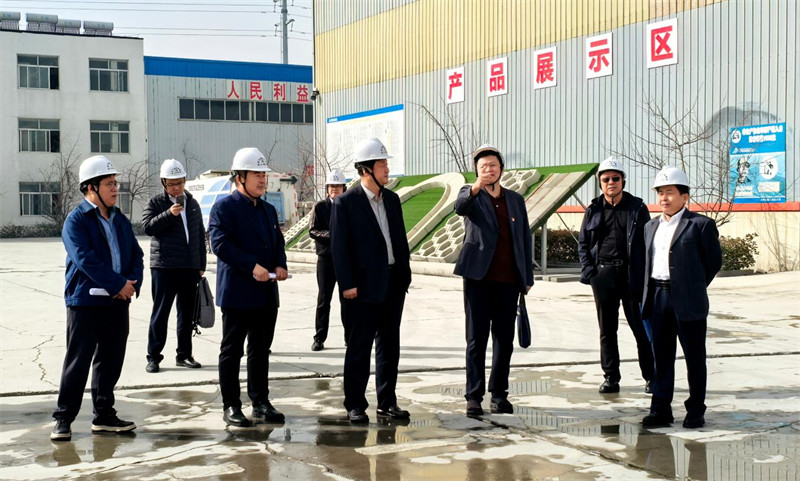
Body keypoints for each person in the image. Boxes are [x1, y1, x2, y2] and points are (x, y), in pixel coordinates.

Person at [51, 155, 144, 441]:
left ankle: (104, 415)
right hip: (86, 302)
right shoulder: (76, 221)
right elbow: (84, 260)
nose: (116, 188)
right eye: (109, 184)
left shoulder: (120, 219)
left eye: (115, 183)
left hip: (117, 302)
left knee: (110, 360)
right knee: (78, 362)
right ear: (91, 187)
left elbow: (136, 254)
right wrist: (118, 284)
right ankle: (64, 418)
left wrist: (131, 282)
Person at [330, 137, 412, 424]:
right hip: (361, 288)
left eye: (387, 164)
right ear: (366, 169)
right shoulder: (345, 203)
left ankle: (387, 402)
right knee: (359, 347)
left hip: (392, 283)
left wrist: (404, 275)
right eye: (382, 164)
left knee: (390, 346)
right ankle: (355, 404)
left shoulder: (392, 199)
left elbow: (399, 240)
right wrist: (347, 284)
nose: (387, 169)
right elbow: (339, 248)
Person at [208, 147, 289, 427]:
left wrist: (280, 264)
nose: (262, 180)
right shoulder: (224, 208)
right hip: (238, 292)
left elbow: (277, 243)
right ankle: (231, 404)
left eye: (264, 175)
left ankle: (261, 402)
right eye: (256, 174)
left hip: (266, 292)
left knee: (260, 349)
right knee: (232, 351)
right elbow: (220, 245)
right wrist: (252, 266)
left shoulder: (268, 210)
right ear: (240, 177)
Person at [453, 144, 533, 417]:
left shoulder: (515, 199)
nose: (489, 170)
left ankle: (499, 394)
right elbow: (459, 208)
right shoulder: (470, 193)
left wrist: (526, 276)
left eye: (493, 165)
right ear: (476, 170)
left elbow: (524, 238)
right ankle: (474, 396)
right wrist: (476, 186)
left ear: (501, 169)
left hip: (508, 280)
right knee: (476, 339)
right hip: (478, 278)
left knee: (504, 339)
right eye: (483, 166)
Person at [640, 166, 722, 429]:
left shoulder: (700, 225)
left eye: (670, 192)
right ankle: (660, 409)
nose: (664, 198)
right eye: (660, 193)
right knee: (661, 356)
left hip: (688, 299)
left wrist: (692, 286)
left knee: (694, 357)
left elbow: (713, 263)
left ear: (684, 196)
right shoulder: (650, 226)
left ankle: (695, 409)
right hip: (658, 296)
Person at [577, 156, 654, 394]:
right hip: (603, 275)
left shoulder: (637, 208)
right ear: (600, 183)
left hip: (631, 276)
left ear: (623, 181)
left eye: (615, 178)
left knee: (640, 328)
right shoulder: (593, 209)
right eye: (606, 179)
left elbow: (648, 243)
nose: (611, 183)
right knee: (607, 330)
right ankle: (611, 377)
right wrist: (590, 272)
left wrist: (645, 275)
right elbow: (583, 243)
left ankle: (651, 377)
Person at [142, 159, 207, 373]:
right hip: (164, 267)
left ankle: (184, 355)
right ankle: (153, 357)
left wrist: (200, 264)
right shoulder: (156, 203)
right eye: (172, 184)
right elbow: (148, 227)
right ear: (163, 183)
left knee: (186, 314)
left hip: (189, 267)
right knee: (160, 313)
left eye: (180, 183)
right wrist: (170, 214)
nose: (177, 188)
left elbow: (199, 235)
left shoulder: (193, 203)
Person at [309, 170, 349, 351]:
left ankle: (349, 337)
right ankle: (319, 338)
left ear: (343, 188)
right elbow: (313, 230)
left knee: (347, 300)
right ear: (327, 188)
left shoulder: (349, 207)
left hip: (345, 260)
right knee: (324, 300)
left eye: (338, 186)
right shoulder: (320, 207)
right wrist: (333, 236)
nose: (335, 189)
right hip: (326, 259)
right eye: (332, 186)